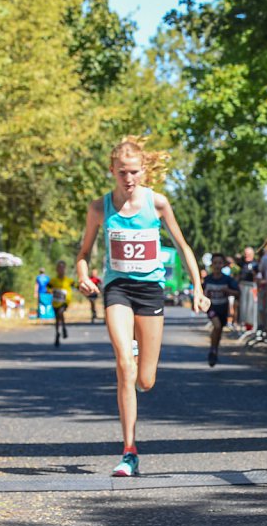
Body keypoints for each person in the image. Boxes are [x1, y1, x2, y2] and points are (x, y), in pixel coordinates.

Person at [75, 136, 209, 477]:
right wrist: (82, 276)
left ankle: (135, 357)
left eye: (134, 172)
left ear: (144, 170)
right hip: (117, 288)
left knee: (145, 380)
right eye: (122, 172)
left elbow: (183, 246)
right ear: (112, 171)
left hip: (150, 292)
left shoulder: (158, 203)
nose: (129, 178)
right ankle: (129, 451)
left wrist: (197, 288)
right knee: (124, 365)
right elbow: (83, 252)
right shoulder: (98, 207)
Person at [203, 253, 240, 366]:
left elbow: (238, 292)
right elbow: (201, 292)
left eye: (219, 263)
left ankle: (214, 350)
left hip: (223, 308)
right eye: (215, 263)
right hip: (211, 308)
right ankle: (213, 350)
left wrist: (228, 290)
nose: (217, 265)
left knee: (219, 331)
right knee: (217, 326)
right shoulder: (207, 279)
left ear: (223, 265)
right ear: (211, 265)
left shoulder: (227, 279)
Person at [48, 260, 74, 347]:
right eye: (59, 268)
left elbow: (77, 285)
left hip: (64, 302)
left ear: (65, 269)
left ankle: (63, 328)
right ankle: (58, 333)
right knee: (57, 318)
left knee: (61, 312)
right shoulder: (53, 280)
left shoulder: (68, 280)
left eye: (62, 268)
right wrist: (50, 291)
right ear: (56, 269)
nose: (61, 270)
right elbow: (48, 287)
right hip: (56, 302)